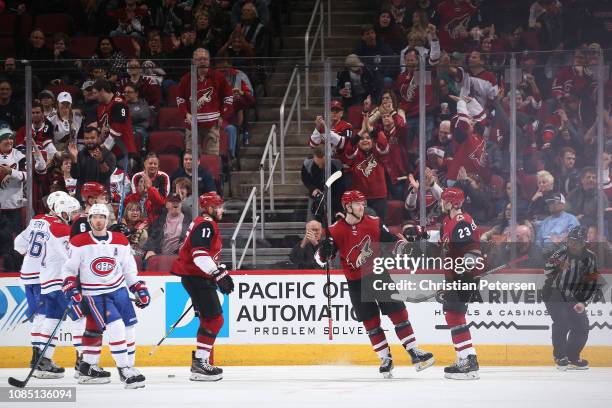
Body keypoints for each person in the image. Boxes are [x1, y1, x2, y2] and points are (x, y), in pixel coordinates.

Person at [316, 190, 434, 378]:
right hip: (356, 283)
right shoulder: (334, 230)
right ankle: (385, 358)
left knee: (398, 313)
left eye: (362, 203)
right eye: (357, 204)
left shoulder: (374, 222)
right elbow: (320, 260)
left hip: (379, 275)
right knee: (371, 323)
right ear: (347, 207)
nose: (362, 206)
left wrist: (406, 248)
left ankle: (414, 351)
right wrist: (324, 251)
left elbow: (393, 242)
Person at [62, 203, 150, 387]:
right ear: (89, 219)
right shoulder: (79, 242)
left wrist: (137, 287)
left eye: (102, 217)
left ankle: (97, 366)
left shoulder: (120, 240)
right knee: (116, 325)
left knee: (128, 327)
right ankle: (124, 370)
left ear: (108, 219)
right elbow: (69, 269)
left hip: (119, 292)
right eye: (94, 217)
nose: (98, 220)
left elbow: (128, 269)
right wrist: (70, 287)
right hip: (95, 294)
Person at [15, 194, 83, 378]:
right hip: (49, 276)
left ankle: (39, 360)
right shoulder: (60, 228)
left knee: (43, 317)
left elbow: (18, 244)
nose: (74, 215)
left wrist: (33, 258)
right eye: (71, 211)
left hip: (31, 274)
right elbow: (68, 257)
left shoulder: (38, 219)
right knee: (68, 317)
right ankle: (79, 362)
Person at [170, 192, 234, 381]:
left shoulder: (202, 222)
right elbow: (199, 255)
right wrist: (218, 274)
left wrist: (218, 269)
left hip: (196, 277)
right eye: (219, 206)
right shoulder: (206, 224)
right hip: (197, 277)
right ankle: (200, 363)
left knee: (209, 319)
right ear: (210, 208)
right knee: (215, 320)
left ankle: (200, 362)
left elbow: (201, 254)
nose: (222, 209)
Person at [438, 187, 482, 380]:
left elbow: (470, 253)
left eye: (443, 200)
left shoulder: (461, 223)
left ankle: (467, 361)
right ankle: (467, 357)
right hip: (455, 276)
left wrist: (462, 276)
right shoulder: (449, 221)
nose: (440, 203)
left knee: (453, 316)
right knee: (454, 315)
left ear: (450, 203)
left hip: (461, 277)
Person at [543, 226, 600, 370]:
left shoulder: (590, 257)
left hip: (574, 295)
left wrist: (583, 302)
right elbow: (547, 271)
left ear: (583, 243)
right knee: (562, 323)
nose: (572, 244)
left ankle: (573, 357)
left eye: (576, 242)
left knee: (582, 326)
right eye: (570, 241)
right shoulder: (561, 252)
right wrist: (558, 267)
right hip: (554, 292)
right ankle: (560, 356)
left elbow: (592, 281)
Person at [176, 48, 234, 156]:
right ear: (193, 61)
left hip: (212, 125)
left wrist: (223, 115)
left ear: (209, 61)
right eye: (199, 59)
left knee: (212, 158)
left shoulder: (218, 77)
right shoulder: (186, 79)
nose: (203, 61)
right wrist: (186, 113)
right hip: (192, 126)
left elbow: (228, 97)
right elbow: (180, 98)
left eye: (205, 59)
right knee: (191, 157)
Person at [0, 127, 47, 237]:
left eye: (11, 138)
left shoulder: (19, 155)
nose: (9, 141)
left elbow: (28, 175)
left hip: (14, 207)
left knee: (16, 238)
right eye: (5, 139)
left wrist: (11, 172)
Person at [94, 79, 138, 168]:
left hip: (124, 152)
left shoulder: (119, 104)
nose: (95, 96)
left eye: (95, 93)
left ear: (102, 91)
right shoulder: (102, 106)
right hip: (111, 154)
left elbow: (117, 130)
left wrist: (104, 148)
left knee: (123, 181)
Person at [68, 127, 116, 196]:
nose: (89, 140)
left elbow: (106, 175)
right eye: (87, 138)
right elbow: (75, 175)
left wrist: (100, 160)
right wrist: (74, 159)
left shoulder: (107, 154)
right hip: (83, 198)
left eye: (92, 138)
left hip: (100, 198)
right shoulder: (79, 154)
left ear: (98, 138)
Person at [144, 193, 192, 260]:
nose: (175, 203)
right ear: (166, 205)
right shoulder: (159, 220)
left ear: (181, 204)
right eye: (172, 201)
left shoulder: (190, 220)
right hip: (160, 257)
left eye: (177, 201)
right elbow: (152, 237)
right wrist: (150, 250)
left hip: (180, 257)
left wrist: (185, 246)